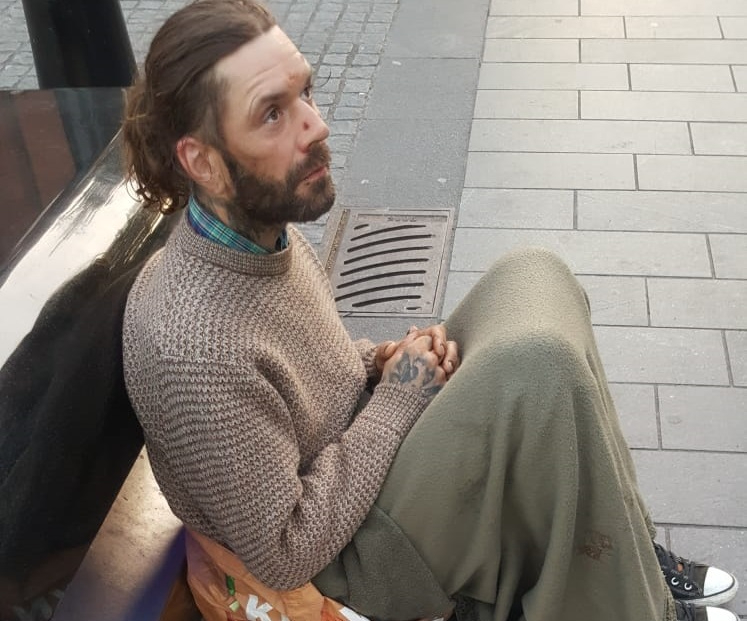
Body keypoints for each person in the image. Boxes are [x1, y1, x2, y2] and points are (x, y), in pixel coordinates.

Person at [120, 2, 739, 620]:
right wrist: (399, 394)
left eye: (305, 92)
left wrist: (375, 362)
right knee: (537, 369)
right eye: (273, 114)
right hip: (346, 565)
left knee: (534, 276)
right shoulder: (192, 347)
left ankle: (622, 554)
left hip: (363, 477)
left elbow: (301, 377)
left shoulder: (261, 235)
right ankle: (632, 603)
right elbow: (287, 551)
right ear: (201, 161)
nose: (315, 126)